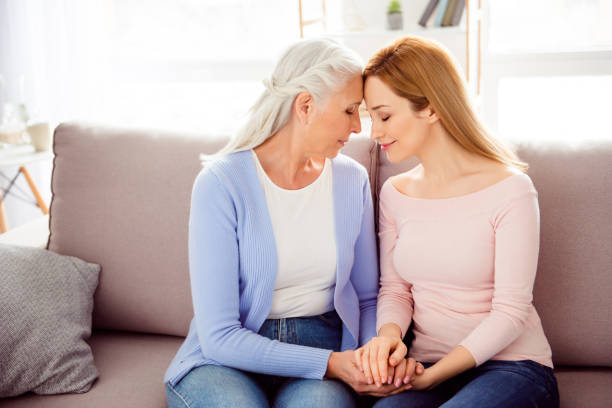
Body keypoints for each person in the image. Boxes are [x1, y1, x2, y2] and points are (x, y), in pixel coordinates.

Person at [163, 38, 419, 408]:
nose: (357, 127)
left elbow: (365, 299)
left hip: (324, 346)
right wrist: (332, 365)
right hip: (228, 360)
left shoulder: (350, 180)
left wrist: (369, 360)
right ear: (305, 106)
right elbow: (219, 335)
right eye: (349, 110)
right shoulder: (221, 183)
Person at [355, 36, 560, 407]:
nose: (375, 133)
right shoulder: (395, 193)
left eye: (384, 116)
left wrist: (431, 378)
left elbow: (510, 313)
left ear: (431, 108)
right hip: (424, 364)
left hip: (511, 366)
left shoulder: (510, 190)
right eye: (372, 118)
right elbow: (396, 291)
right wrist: (388, 339)